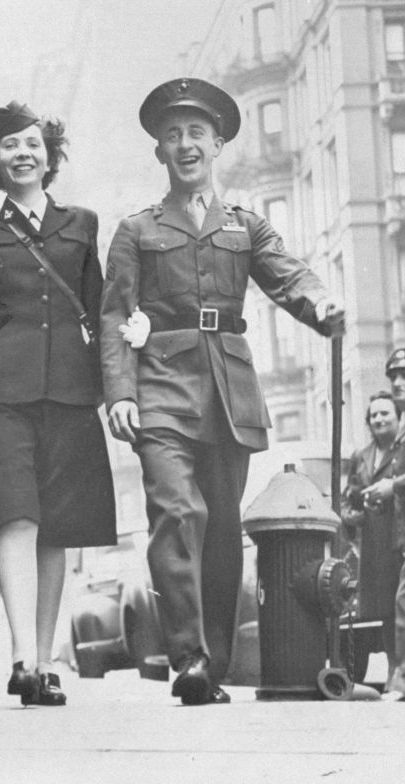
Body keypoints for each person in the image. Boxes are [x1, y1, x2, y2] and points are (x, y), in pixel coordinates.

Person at [100, 77, 346, 705]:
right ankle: (188, 657)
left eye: (196, 134)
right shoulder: (135, 230)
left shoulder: (246, 227)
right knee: (178, 514)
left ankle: (212, 662)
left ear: (216, 146)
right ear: (159, 149)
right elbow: (113, 314)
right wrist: (120, 392)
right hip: (158, 385)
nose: (185, 144)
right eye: (173, 134)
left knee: (218, 527)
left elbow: (288, 273)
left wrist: (321, 301)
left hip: (227, 390)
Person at [0, 101, 116, 706]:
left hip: (71, 393)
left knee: (57, 529)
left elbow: (100, 308)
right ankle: (21, 659)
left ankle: (47, 657)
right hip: (1, 391)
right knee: (18, 518)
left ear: (48, 154)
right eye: (9, 145)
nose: (22, 154)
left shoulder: (81, 223)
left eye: (32, 143)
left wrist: (113, 392)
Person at [341, 392, 402, 689]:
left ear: (398, 417)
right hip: (372, 544)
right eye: (374, 415)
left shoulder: (401, 453)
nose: (378, 419)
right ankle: (393, 669)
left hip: (398, 536)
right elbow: (346, 501)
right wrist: (359, 513)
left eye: (384, 414)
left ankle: (397, 670)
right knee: (380, 609)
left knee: (398, 604)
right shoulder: (361, 456)